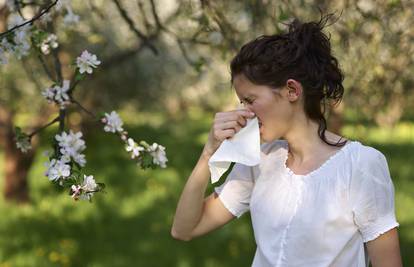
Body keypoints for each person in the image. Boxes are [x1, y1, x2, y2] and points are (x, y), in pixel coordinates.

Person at [171, 12, 403, 267]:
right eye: (242, 102)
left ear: (291, 90)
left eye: (250, 100)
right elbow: (184, 229)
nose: (245, 112)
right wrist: (208, 154)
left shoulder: (360, 165)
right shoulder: (260, 159)